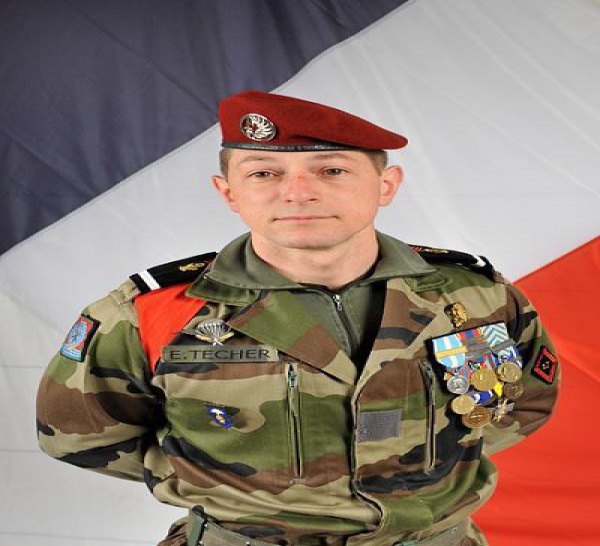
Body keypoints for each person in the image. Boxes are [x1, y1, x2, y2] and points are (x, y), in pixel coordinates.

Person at [36, 90, 560, 546]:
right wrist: (215, 481)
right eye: (263, 173)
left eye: (332, 170)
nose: (298, 192)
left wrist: (425, 472)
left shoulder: (474, 295)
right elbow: (77, 434)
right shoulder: (150, 313)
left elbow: (524, 401)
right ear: (228, 192)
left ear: (387, 185)